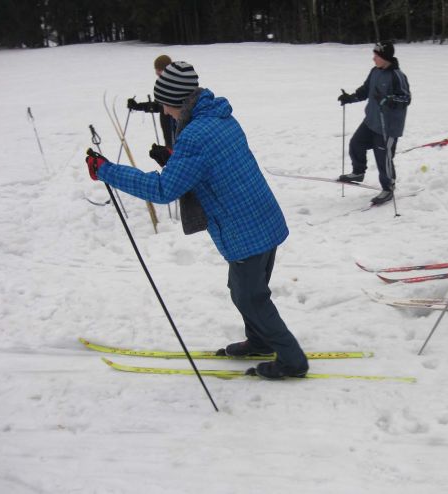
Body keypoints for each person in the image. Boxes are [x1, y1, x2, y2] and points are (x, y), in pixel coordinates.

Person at [86, 61, 309, 379]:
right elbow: (214, 163)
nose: (163, 111)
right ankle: (260, 340)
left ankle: (292, 360)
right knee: (243, 288)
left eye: (164, 102)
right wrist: (176, 161)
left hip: (244, 228)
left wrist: (106, 170)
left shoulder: (193, 136)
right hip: (262, 217)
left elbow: (163, 189)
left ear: (176, 100)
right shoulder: (219, 117)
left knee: (250, 296)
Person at [337, 41, 411, 205]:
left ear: (385, 58)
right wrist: (350, 98)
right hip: (371, 121)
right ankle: (358, 172)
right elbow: (365, 91)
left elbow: (406, 98)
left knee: (383, 158)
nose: (373, 59)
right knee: (356, 143)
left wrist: (390, 100)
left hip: (388, 127)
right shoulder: (375, 72)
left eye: (376, 56)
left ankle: (388, 187)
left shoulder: (397, 76)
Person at [127, 55, 176, 148]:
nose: (156, 73)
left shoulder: (175, 85)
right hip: (169, 133)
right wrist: (137, 106)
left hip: (175, 130)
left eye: (158, 70)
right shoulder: (164, 84)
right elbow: (159, 106)